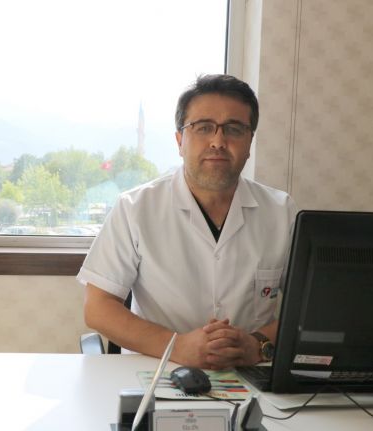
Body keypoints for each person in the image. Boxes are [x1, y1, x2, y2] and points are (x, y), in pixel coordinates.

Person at [78, 74, 297, 370]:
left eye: (234, 129)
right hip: (157, 371)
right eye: (203, 127)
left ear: (250, 142)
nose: (218, 141)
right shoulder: (135, 208)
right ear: (180, 140)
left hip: (250, 373)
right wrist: (177, 346)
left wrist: (257, 345)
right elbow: (98, 308)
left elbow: (308, 309)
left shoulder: (281, 212)